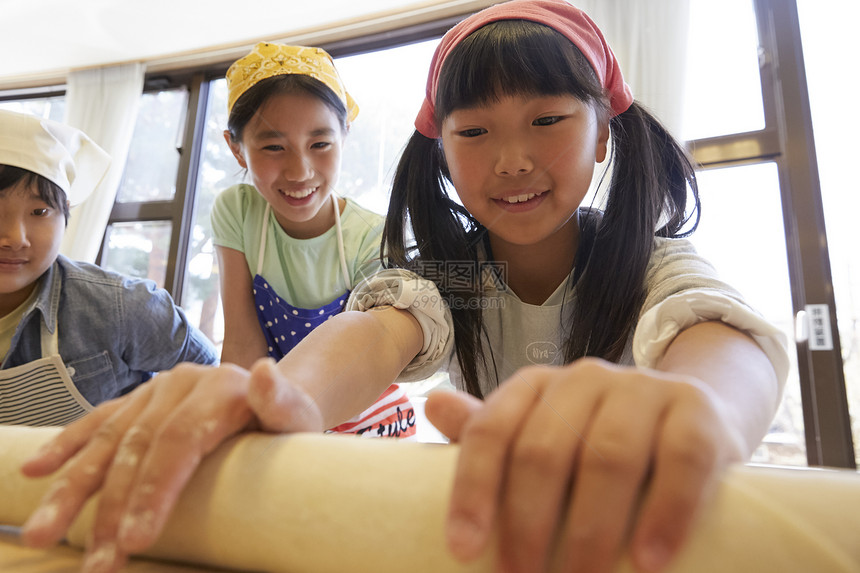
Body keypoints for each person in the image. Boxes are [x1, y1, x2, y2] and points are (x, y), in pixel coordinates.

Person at [19, 2, 788, 572]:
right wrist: (284, 394)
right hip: (498, 532)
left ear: (603, 133)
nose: (513, 160)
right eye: (476, 132)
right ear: (442, 153)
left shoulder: (645, 262)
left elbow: (719, 336)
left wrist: (703, 407)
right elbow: (380, 327)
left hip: (643, 533)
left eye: (548, 120)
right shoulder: (453, 272)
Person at [214, 42, 414, 438]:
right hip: (273, 414)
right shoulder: (237, 211)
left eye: (320, 144)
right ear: (237, 149)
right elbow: (241, 344)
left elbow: (377, 354)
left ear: (345, 135)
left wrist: (292, 419)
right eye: (273, 147)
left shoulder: (374, 236)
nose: (300, 171)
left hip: (365, 415)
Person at [0, 109, 217, 427]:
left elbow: (211, 377)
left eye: (39, 211)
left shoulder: (122, 307)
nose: (15, 238)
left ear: (65, 218)